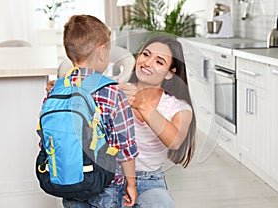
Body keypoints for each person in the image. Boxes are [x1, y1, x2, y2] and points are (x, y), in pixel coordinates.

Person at [51, 15, 138, 208]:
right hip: (105, 185)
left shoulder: (56, 89)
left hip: (69, 180)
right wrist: (131, 183)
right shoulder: (112, 92)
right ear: (100, 52)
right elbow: (124, 146)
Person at [119, 35, 197, 207]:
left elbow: (175, 141)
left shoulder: (179, 108)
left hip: (149, 182)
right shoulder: (117, 90)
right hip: (112, 178)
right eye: (146, 55)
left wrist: (141, 102)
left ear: (170, 73)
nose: (147, 62)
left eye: (159, 62)